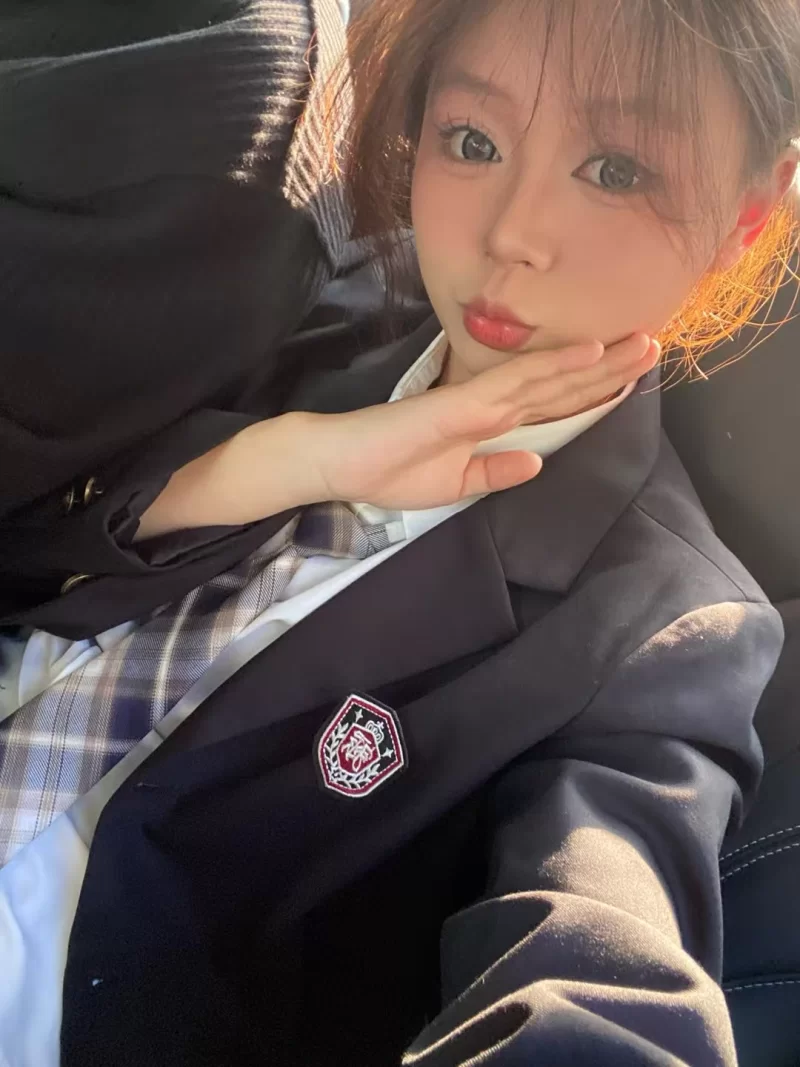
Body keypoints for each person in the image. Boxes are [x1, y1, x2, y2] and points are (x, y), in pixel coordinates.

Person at [2, 1, 800, 1066]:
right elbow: (41, 540)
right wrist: (288, 461)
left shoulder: (664, 632)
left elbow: (598, 965)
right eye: (471, 140)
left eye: (614, 170)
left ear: (748, 218)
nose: (511, 233)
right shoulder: (316, 311)